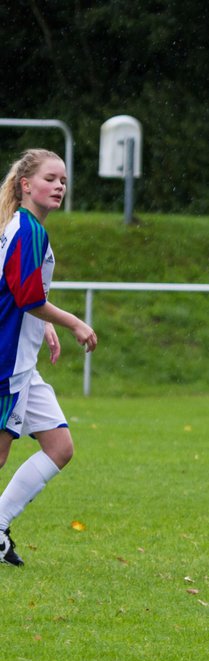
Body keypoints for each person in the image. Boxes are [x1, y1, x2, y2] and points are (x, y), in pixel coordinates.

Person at [0, 149, 98, 565]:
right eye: (50, 178)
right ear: (26, 184)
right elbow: (26, 296)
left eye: (63, 180)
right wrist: (74, 321)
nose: (59, 186)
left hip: (23, 362)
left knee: (59, 446)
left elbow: (21, 291)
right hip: (7, 362)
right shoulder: (28, 229)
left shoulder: (24, 226)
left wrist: (46, 323)